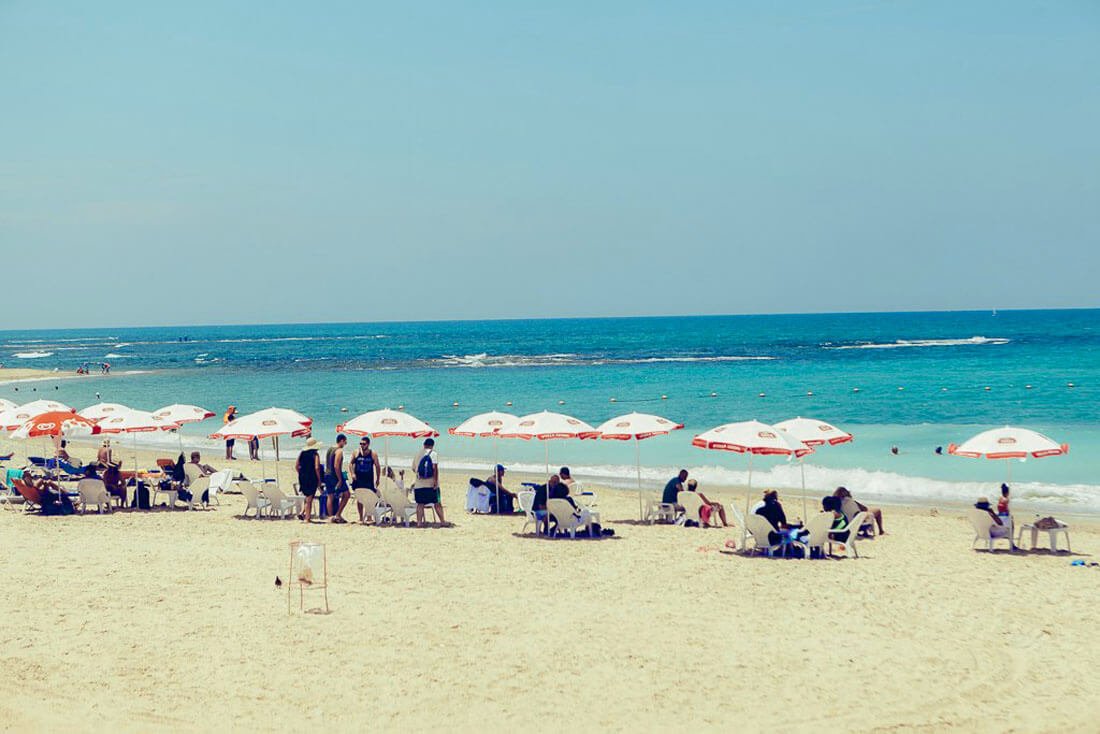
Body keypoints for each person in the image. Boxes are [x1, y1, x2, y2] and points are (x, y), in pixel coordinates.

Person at [411, 438, 446, 527]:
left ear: (424, 444)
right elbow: (435, 469)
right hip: (431, 485)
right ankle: (442, 521)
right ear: (432, 445)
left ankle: (419, 522)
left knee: (420, 504)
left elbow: (414, 469)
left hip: (419, 485)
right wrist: (435, 481)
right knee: (437, 503)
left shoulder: (418, 454)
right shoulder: (433, 454)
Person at [350, 436, 381, 523]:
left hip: (368, 479)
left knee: (369, 498)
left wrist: (378, 479)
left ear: (368, 444)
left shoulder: (373, 454)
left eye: (364, 444)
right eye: (360, 444)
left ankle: (369, 516)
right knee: (359, 498)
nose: (362, 446)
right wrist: (352, 473)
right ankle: (360, 517)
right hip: (358, 479)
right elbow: (350, 464)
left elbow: (377, 466)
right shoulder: (356, 452)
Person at [323, 434, 350, 523]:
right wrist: (339, 479)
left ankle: (331, 517)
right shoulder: (339, 451)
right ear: (342, 440)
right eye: (345, 441)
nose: (345, 443)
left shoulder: (330, 449)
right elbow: (336, 466)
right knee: (347, 494)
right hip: (334, 475)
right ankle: (338, 514)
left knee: (330, 496)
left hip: (327, 474)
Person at [296, 437, 323, 523]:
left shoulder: (302, 453)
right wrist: (319, 479)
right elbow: (317, 467)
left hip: (303, 477)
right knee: (310, 498)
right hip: (312, 477)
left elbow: (296, 466)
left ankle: (303, 513)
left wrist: (301, 473)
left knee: (307, 497)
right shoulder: (315, 455)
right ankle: (307, 518)